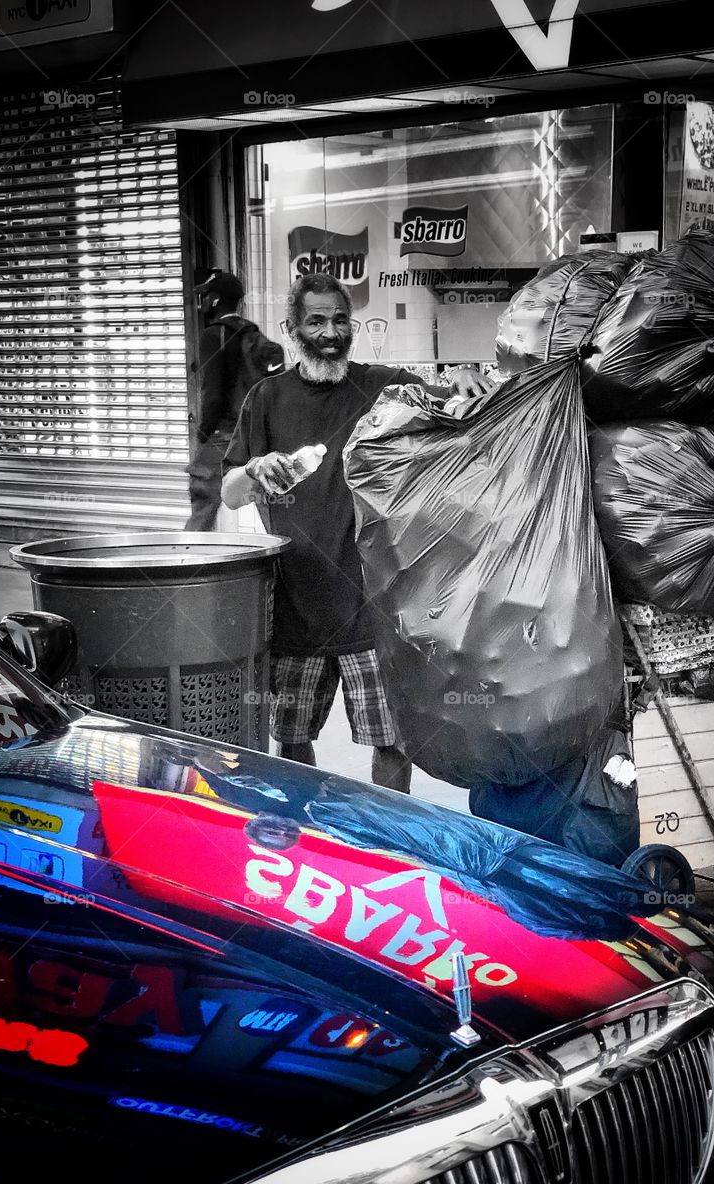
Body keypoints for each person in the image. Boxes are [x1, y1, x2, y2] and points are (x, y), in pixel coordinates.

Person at [222, 271, 489, 792]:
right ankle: (306, 833)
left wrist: (462, 375)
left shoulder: (380, 386)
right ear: (292, 328)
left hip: (373, 611)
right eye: (316, 321)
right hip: (296, 610)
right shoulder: (267, 398)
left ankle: (388, 840)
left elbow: (449, 400)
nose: (330, 332)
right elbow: (230, 491)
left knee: (392, 741)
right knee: (293, 742)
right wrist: (255, 470)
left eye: (340, 319)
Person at [184, 269, 284, 532]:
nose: (201, 302)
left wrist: (203, 434)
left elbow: (213, 395)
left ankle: (188, 565)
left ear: (215, 300)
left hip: (224, 437)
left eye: (204, 296)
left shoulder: (213, 334)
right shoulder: (253, 334)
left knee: (203, 507)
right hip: (257, 436)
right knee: (269, 502)